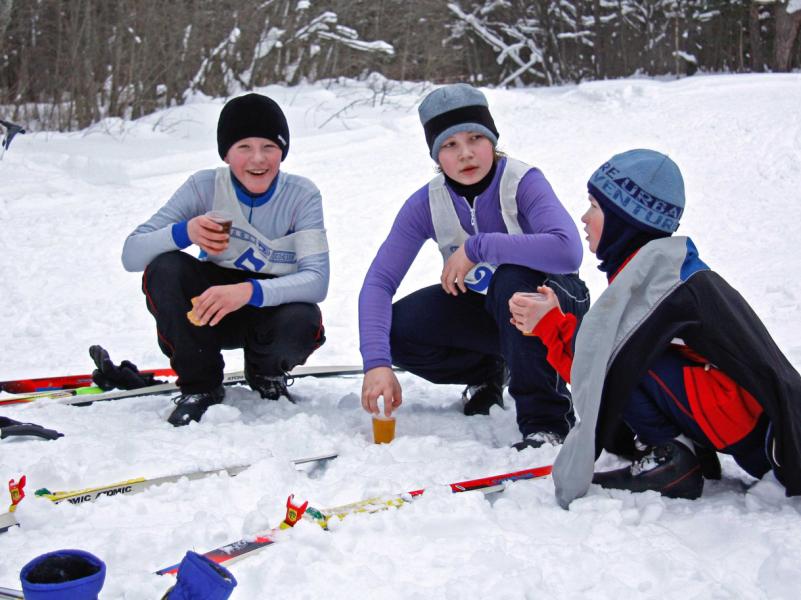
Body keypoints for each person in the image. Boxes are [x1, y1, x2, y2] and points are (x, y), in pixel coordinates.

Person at [509, 149, 801, 506]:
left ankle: (671, 460)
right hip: (748, 423)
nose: (584, 218)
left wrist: (551, 325)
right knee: (636, 353)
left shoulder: (660, 283)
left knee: (634, 360)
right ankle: (677, 447)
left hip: (752, 429)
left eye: (595, 208)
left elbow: (599, 369)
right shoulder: (663, 268)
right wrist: (556, 323)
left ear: (626, 223)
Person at [358, 83, 589, 449]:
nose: (466, 154)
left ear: (492, 142)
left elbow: (567, 252)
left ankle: (547, 421)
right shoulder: (427, 203)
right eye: (450, 145)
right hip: (489, 313)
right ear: (437, 156)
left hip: (555, 308)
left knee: (512, 283)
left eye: (476, 138)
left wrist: (478, 246)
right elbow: (379, 282)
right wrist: (376, 364)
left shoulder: (522, 181)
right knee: (396, 330)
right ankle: (487, 372)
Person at [122, 93, 328, 427]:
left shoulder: (302, 195)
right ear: (226, 153)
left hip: (265, 308)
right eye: (244, 147)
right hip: (209, 312)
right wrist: (185, 231)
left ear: (283, 152)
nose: (257, 159)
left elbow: (317, 281)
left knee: (303, 318)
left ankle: (265, 373)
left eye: (269, 147)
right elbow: (132, 254)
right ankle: (200, 385)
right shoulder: (204, 186)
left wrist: (247, 292)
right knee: (165, 267)